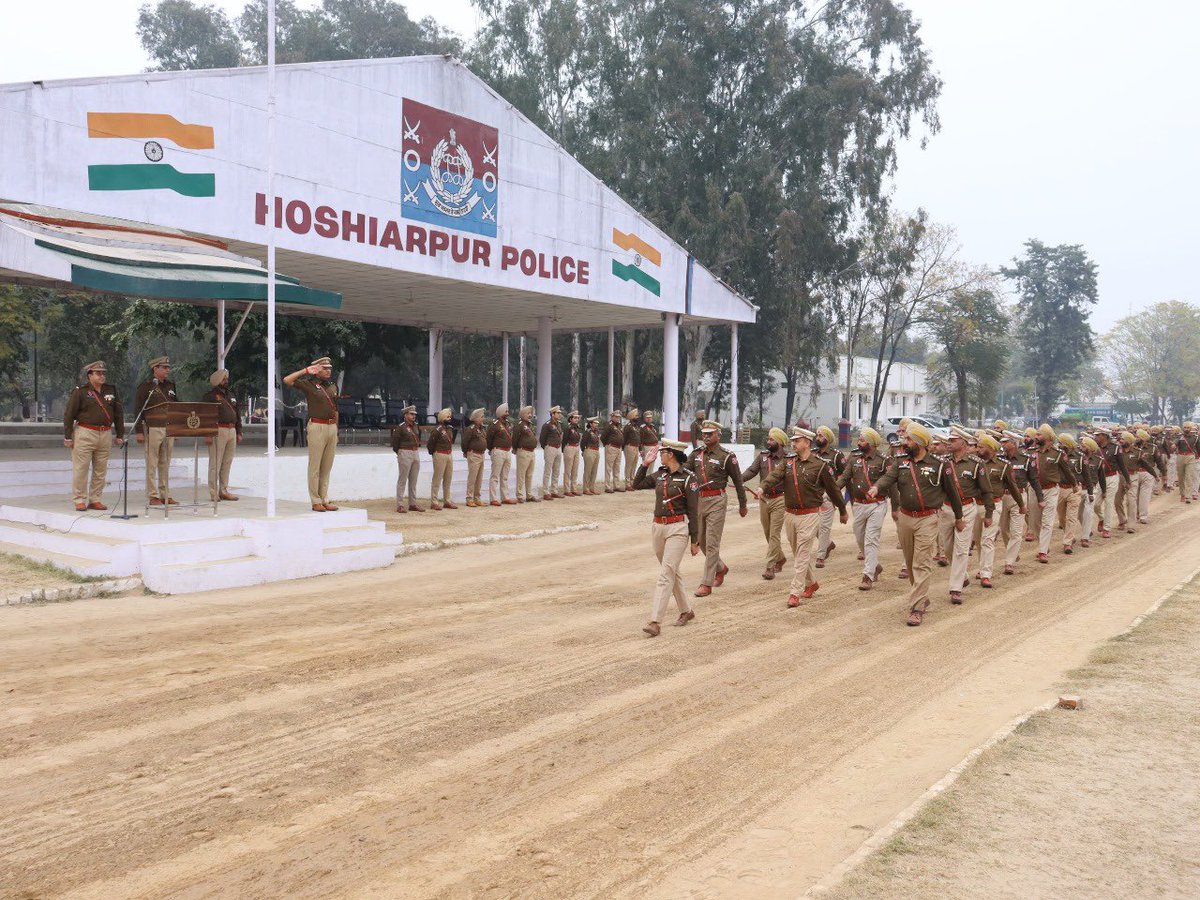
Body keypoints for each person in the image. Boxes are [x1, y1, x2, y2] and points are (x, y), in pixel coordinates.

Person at [868, 422, 964, 627]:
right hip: (905, 518)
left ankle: (917, 607)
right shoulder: (901, 461)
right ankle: (921, 595)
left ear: (920, 442)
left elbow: (953, 492)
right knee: (911, 562)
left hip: (928, 518)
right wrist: (877, 487)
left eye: (909, 439)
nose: (905, 442)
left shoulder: (940, 465)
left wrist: (959, 516)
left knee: (922, 562)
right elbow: (888, 477)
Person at [758, 427, 848, 606]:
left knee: (802, 554)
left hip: (810, 515)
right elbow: (774, 476)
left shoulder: (820, 465)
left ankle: (795, 592)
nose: (793, 444)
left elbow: (833, 490)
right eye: (792, 441)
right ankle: (812, 583)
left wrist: (843, 510)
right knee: (798, 553)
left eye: (797, 440)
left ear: (807, 442)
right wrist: (763, 487)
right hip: (790, 514)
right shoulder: (788, 462)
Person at [631, 439, 701, 637]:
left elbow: (694, 511)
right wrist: (645, 464)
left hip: (678, 528)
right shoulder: (660, 474)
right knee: (671, 571)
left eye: (662, 452)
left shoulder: (689, 478)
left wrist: (695, 540)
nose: (660, 454)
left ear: (671, 454)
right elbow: (637, 484)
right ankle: (686, 611)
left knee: (665, 574)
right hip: (658, 527)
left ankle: (655, 621)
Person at [686, 420, 748, 597]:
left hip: (717, 500)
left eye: (709, 434)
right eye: (704, 433)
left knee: (712, 543)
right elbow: (684, 472)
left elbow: (738, 481)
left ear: (718, 435)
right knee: (701, 541)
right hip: (699, 500)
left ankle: (706, 583)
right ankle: (720, 568)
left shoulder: (727, 456)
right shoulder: (696, 454)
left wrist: (743, 505)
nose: (705, 436)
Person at [938, 426, 993, 604]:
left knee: (961, 549)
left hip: (968, 507)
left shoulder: (976, 463)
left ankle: (955, 589)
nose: (949, 443)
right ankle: (963, 575)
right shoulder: (943, 461)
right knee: (948, 549)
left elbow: (986, 490)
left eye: (953, 441)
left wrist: (989, 513)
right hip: (946, 509)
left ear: (963, 442)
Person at [63, 360, 124, 511]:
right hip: (85, 432)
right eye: (98, 373)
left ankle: (95, 499)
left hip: (105, 433)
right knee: (81, 468)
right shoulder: (81, 391)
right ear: (89, 375)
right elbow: (69, 415)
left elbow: (118, 413)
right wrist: (68, 436)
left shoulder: (111, 390)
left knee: (100, 470)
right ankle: (79, 499)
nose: (102, 376)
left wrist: (120, 434)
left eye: (103, 373)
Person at [283, 357, 340, 512]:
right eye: (325, 368)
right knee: (315, 465)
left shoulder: (333, 386)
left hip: (331, 427)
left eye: (329, 368)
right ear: (317, 370)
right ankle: (315, 500)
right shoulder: (309, 384)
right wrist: (305, 371)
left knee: (327, 466)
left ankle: (324, 498)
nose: (328, 371)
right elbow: (287, 380)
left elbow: (335, 409)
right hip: (317, 426)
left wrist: (337, 429)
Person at [837, 426, 889, 590]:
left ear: (872, 443)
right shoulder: (854, 458)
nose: (858, 442)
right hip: (858, 505)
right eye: (858, 439)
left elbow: (889, 480)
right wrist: (831, 491)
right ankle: (875, 566)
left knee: (871, 539)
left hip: (877, 504)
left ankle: (867, 575)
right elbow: (844, 478)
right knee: (860, 538)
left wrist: (896, 506)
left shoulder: (883, 459)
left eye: (862, 439)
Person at [974, 432, 1023, 587]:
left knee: (987, 540)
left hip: (994, 506)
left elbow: (1013, 487)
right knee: (978, 540)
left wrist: (1021, 504)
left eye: (981, 447)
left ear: (991, 448)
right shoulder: (974, 463)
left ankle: (986, 574)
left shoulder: (1003, 466)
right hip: (975, 505)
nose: (977, 449)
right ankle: (982, 567)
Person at [744, 427, 789, 580]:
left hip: (780, 499)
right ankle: (781, 557)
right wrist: (738, 479)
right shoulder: (762, 456)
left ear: (780, 442)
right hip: (764, 499)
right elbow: (751, 471)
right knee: (767, 532)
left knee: (774, 533)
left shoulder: (788, 458)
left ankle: (770, 567)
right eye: (768, 439)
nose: (768, 442)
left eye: (772, 439)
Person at [134, 355, 178, 506]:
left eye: (168, 367)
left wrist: (176, 428)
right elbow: (138, 409)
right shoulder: (146, 387)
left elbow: (177, 407)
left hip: (169, 427)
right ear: (155, 369)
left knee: (165, 463)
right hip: (152, 428)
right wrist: (139, 431)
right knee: (152, 463)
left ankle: (165, 493)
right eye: (164, 368)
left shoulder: (171, 386)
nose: (168, 370)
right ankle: (153, 495)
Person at [1031, 423, 1077, 562]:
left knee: (1047, 521)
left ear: (1048, 437)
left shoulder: (1057, 454)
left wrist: (1074, 484)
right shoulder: (1032, 452)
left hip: (1051, 490)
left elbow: (1067, 471)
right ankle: (1042, 543)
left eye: (1039, 434)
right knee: (1034, 522)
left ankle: (1043, 551)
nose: (1036, 436)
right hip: (1034, 490)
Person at [999, 431, 1042, 574]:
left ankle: (1009, 562)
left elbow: (1034, 479)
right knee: (1004, 529)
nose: (1003, 444)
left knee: (1016, 531)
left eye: (1006, 442)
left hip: (1019, 495)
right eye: (1002, 442)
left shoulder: (1026, 459)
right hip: (1002, 497)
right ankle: (1012, 552)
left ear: (1014, 443)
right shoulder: (999, 459)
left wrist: (1040, 498)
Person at [201, 368, 241, 502]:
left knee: (227, 462)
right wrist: (207, 433)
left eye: (226, 378)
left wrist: (239, 431)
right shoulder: (210, 396)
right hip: (218, 430)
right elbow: (204, 415)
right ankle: (213, 492)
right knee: (215, 463)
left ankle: (223, 490)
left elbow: (237, 414)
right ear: (217, 381)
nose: (226, 381)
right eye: (224, 379)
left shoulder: (231, 394)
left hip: (231, 430)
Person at [1055, 432, 1090, 553]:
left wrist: (1090, 491)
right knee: (1061, 517)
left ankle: (1067, 543)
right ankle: (1069, 535)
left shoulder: (1080, 457)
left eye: (1061, 443)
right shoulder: (1057, 455)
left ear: (1068, 444)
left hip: (1075, 489)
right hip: (1060, 489)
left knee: (1072, 516)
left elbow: (1086, 475)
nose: (1059, 445)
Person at [1094, 428, 1129, 536]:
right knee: (1095, 504)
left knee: (1109, 503)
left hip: (1112, 477)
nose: (1095, 438)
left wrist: (1127, 479)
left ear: (1104, 436)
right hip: (1099, 479)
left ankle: (1106, 528)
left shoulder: (1115, 448)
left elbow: (1122, 465)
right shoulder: (1095, 448)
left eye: (1098, 435)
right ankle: (1102, 518)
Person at [390, 404, 422, 513]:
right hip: (405, 452)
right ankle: (400, 504)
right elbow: (395, 443)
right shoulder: (401, 427)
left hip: (415, 452)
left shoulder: (416, 426)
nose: (414, 416)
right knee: (402, 479)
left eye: (414, 414)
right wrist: (400, 452)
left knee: (413, 480)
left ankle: (412, 503)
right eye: (411, 414)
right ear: (405, 415)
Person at [486, 403, 516, 505]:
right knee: (495, 475)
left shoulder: (507, 424)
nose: (507, 413)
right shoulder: (494, 424)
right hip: (498, 451)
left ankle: (505, 497)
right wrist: (491, 449)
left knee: (505, 476)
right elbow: (489, 438)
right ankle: (493, 498)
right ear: (501, 412)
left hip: (507, 451)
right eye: (506, 411)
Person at [427, 408, 457, 510]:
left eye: (450, 416)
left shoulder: (449, 428)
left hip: (449, 454)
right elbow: (431, 443)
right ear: (442, 418)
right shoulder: (437, 430)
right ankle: (434, 501)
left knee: (448, 479)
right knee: (437, 479)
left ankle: (447, 500)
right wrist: (434, 453)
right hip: (440, 454)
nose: (450, 418)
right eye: (447, 416)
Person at [1079, 435, 1104, 547]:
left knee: (1088, 513)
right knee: (1079, 514)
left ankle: (1085, 538)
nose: (1081, 447)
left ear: (1090, 447)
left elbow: (1101, 477)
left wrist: (1104, 491)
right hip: (1079, 488)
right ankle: (1087, 529)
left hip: (1092, 489)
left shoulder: (1098, 460)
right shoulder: (1078, 458)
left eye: (1084, 446)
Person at [462, 408, 488, 507]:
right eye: (482, 417)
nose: (483, 418)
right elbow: (465, 442)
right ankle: (469, 498)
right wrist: (465, 452)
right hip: (474, 454)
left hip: (481, 454)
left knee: (479, 478)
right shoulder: (471, 429)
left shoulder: (481, 428)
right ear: (476, 418)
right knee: (472, 477)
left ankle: (477, 498)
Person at [513, 405, 539, 502]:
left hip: (531, 452)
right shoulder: (520, 424)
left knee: (529, 474)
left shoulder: (529, 424)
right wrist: (515, 448)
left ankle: (529, 495)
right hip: (523, 451)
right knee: (521, 474)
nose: (530, 415)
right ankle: (520, 495)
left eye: (530, 413)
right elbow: (515, 438)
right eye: (528, 413)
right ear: (523, 414)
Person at [539, 405, 565, 500]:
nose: (559, 414)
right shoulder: (547, 425)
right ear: (552, 414)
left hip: (558, 448)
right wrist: (546, 447)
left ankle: (554, 490)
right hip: (550, 447)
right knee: (548, 470)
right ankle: (546, 492)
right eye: (557, 413)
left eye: (559, 413)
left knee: (556, 471)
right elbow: (542, 438)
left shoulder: (559, 424)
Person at [601, 410, 625, 492]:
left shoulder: (619, 425)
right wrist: (607, 445)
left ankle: (616, 485)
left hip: (619, 448)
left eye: (619, 417)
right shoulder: (609, 425)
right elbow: (603, 437)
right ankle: (607, 486)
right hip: (611, 447)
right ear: (612, 417)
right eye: (616, 417)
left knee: (617, 468)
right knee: (609, 468)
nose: (618, 418)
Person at [1177, 423, 1199, 503]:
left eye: (1188, 427)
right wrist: (1173, 445)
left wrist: (1198, 457)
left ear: (1191, 428)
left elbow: (1198, 448)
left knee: (1189, 477)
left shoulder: (1196, 437)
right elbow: (1175, 443)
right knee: (1181, 477)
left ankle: (1188, 496)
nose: (1186, 429)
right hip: (1180, 456)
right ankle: (1182, 494)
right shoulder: (1180, 437)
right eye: (1185, 427)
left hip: (1191, 457)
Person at [563, 411, 583, 496]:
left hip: (576, 448)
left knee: (575, 469)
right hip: (569, 447)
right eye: (575, 418)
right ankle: (567, 490)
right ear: (570, 419)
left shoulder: (577, 428)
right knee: (568, 470)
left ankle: (574, 489)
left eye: (577, 418)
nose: (577, 419)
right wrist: (564, 449)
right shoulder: (568, 428)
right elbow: (564, 439)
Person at [581, 416, 602, 495]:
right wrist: (583, 450)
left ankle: (591, 488)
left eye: (597, 423)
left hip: (596, 451)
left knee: (594, 471)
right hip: (589, 450)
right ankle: (585, 488)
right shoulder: (587, 432)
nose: (596, 424)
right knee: (588, 471)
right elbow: (583, 442)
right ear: (590, 424)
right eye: (595, 423)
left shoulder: (597, 432)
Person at [623, 408, 642, 489]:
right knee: (629, 465)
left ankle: (632, 482)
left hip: (636, 447)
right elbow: (624, 438)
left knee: (634, 465)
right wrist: (624, 448)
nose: (638, 417)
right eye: (636, 416)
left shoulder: (636, 427)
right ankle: (627, 483)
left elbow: (639, 438)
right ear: (632, 417)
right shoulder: (628, 427)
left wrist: (640, 449)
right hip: (629, 447)